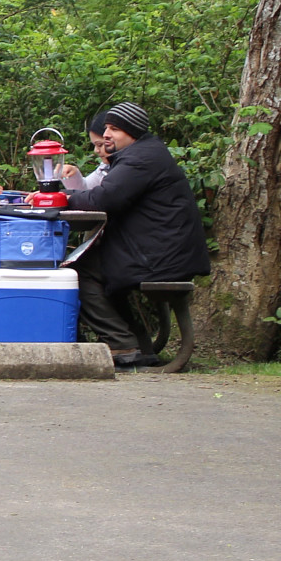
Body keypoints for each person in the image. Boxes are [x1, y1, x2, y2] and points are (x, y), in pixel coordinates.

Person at [68, 102, 210, 369]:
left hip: (161, 257)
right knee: (92, 266)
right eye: (107, 127)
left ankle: (122, 344)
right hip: (160, 251)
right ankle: (138, 346)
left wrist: (61, 199)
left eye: (115, 129)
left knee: (76, 273)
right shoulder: (142, 154)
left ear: (132, 131)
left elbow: (104, 199)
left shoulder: (140, 159)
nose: (107, 134)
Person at [58, 114, 113, 191]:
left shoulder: (128, 169)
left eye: (100, 145)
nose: (96, 150)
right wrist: (72, 176)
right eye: (94, 145)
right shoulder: (104, 167)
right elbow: (85, 190)